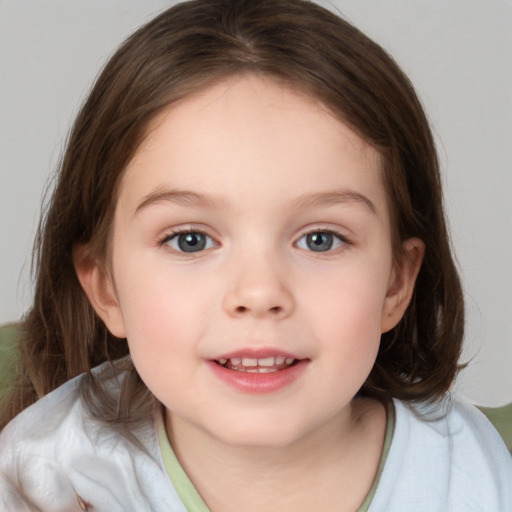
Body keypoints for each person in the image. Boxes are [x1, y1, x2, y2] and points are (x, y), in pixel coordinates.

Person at [0, 0, 510, 510]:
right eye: (190, 239)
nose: (260, 293)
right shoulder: (45, 478)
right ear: (106, 286)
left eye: (320, 239)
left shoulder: (474, 474)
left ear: (396, 283)